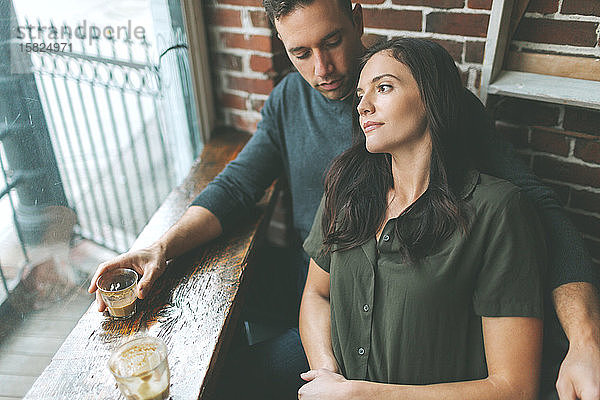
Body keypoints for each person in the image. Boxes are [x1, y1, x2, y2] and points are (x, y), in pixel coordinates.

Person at [88, 0, 600, 398]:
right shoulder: (290, 100)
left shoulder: (438, 107)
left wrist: (583, 339)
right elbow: (240, 184)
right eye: (300, 53)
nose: (323, 68)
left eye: (331, 41)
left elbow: (537, 210)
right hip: (326, 285)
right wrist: (161, 248)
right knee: (213, 377)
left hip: (410, 305)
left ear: (356, 18)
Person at [300, 37, 545, 399]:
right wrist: (326, 375)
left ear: (431, 97)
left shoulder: (497, 209)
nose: (363, 106)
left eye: (383, 88)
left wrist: (363, 396)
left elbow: (514, 388)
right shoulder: (345, 190)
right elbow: (316, 294)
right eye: (360, 96)